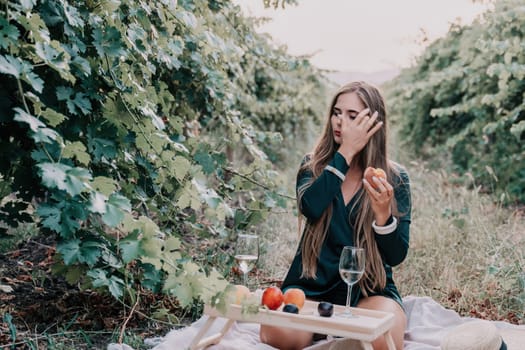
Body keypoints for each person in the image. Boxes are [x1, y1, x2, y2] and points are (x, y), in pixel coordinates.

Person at [260, 81, 411, 350]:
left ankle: (339, 340)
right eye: (337, 112)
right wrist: (346, 153)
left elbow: (396, 255)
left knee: (386, 341)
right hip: (310, 288)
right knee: (276, 334)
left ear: (374, 124)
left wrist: (383, 216)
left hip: (368, 290)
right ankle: (330, 337)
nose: (341, 122)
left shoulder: (394, 178)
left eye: (352, 116)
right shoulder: (313, 166)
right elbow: (311, 207)